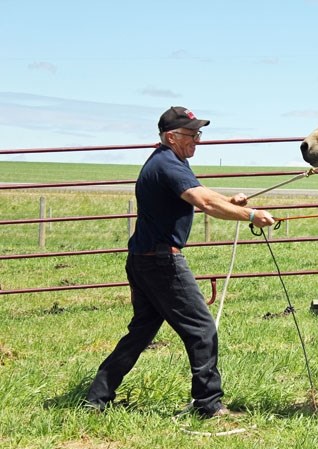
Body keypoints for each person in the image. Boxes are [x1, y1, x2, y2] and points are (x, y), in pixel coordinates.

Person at [85, 106, 275, 418]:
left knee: (141, 333)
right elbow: (202, 201)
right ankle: (208, 405)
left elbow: (199, 192)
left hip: (143, 260)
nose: (198, 140)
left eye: (199, 134)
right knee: (202, 330)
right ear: (171, 136)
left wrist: (230, 201)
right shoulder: (169, 165)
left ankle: (96, 398)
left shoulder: (168, 161)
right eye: (192, 134)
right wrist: (251, 215)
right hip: (163, 263)